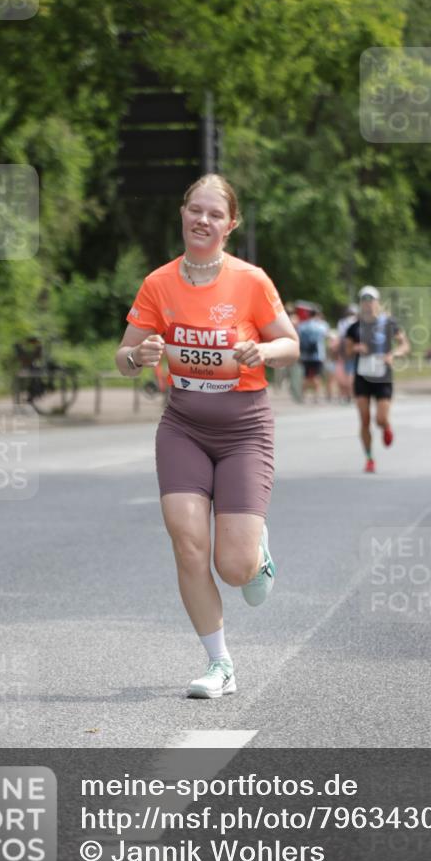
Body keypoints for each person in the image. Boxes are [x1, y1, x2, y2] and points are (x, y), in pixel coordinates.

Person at [117, 174, 299, 699]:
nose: (203, 220)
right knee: (188, 542)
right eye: (195, 210)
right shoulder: (159, 284)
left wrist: (262, 353)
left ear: (230, 224)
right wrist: (139, 356)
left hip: (244, 429)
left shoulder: (251, 281)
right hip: (183, 427)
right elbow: (124, 357)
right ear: (182, 214)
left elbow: (288, 344)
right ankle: (220, 664)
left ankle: (256, 551)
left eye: (215, 214)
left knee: (234, 567)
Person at [345, 286, 410, 473]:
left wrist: (394, 355)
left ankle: (386, 426)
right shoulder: (354, 327)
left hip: (383, 376)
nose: (368, 304)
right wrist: (355, 349)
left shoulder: (388, 322)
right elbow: (347, 351)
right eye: (364, 300)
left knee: (380, 419)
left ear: (377, 302)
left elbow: (405, 345)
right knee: (364, 420)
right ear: (360, 304)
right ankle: (369, 458)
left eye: (371, 300)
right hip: (362, 376)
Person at [297, 306, 331, 403]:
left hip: (305, 355)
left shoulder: (302, 326)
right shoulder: (321, 326)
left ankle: (303, 396)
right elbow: (327, 337)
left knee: (305, 376)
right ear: (317, 315)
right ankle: (316, 397)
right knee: (317, 376)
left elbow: (298, 340)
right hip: (318, 355)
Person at [335, 304, 358, 402]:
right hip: (356, 346)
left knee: (348, 371)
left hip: (346, 347)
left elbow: (340, 337)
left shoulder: (342, 322)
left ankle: (348, 393)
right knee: (353, 371)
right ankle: (354, 393)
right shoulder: (356, 321)